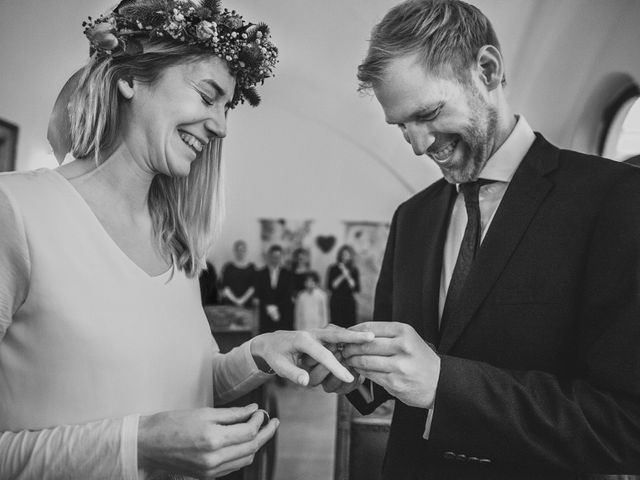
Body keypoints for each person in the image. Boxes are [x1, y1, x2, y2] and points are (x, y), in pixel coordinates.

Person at [0, 2, 375, 479]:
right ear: (130, 78)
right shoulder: (15, 210)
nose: (220, 127)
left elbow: (190, 382)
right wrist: (136, 448)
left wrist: (263, 353)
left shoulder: (173, 243)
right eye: (206, 95)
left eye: (226, 108)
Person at [305, 1, 640, 478]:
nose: (419, 146)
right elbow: (404, 362)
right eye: (402, 126)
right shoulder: (412, 217)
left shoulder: (613, 200)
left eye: (429, 113)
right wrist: (357, 372)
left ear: (487, 69)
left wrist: (445, 385)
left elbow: (626, 424)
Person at [254, 244, 294, 333]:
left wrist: (276, 307)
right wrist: (268, 307)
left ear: (281, 257)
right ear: (269, 257)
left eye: (278, 257)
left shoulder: (287, 274)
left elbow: (288, 293)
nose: (276, 259)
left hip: (282, 312)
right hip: (265, 312)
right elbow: (258, 293)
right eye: (274, 257)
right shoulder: (260, 273)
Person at [326, 245, 360, 328]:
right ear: (340, 255)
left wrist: (347, 274)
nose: (345, 257)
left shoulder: (354, 270)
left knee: (350, 326)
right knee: (336, 324)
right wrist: (342, 275)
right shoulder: (333, 268)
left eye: (347, 255)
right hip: (336, 300)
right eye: (343, 254)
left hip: (349, 301)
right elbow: (332, 286)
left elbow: (355, 287)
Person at [220, 240, 256, 308]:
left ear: (246, 251)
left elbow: (253, 288)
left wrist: (242, 301)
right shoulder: (227, 267)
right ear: (234, 251)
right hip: (229, 305)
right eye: (238, 250)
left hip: (247, 305)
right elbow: (225, 287)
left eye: (243, 250)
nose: (240, 253)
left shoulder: (252, 268)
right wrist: (236, 301)